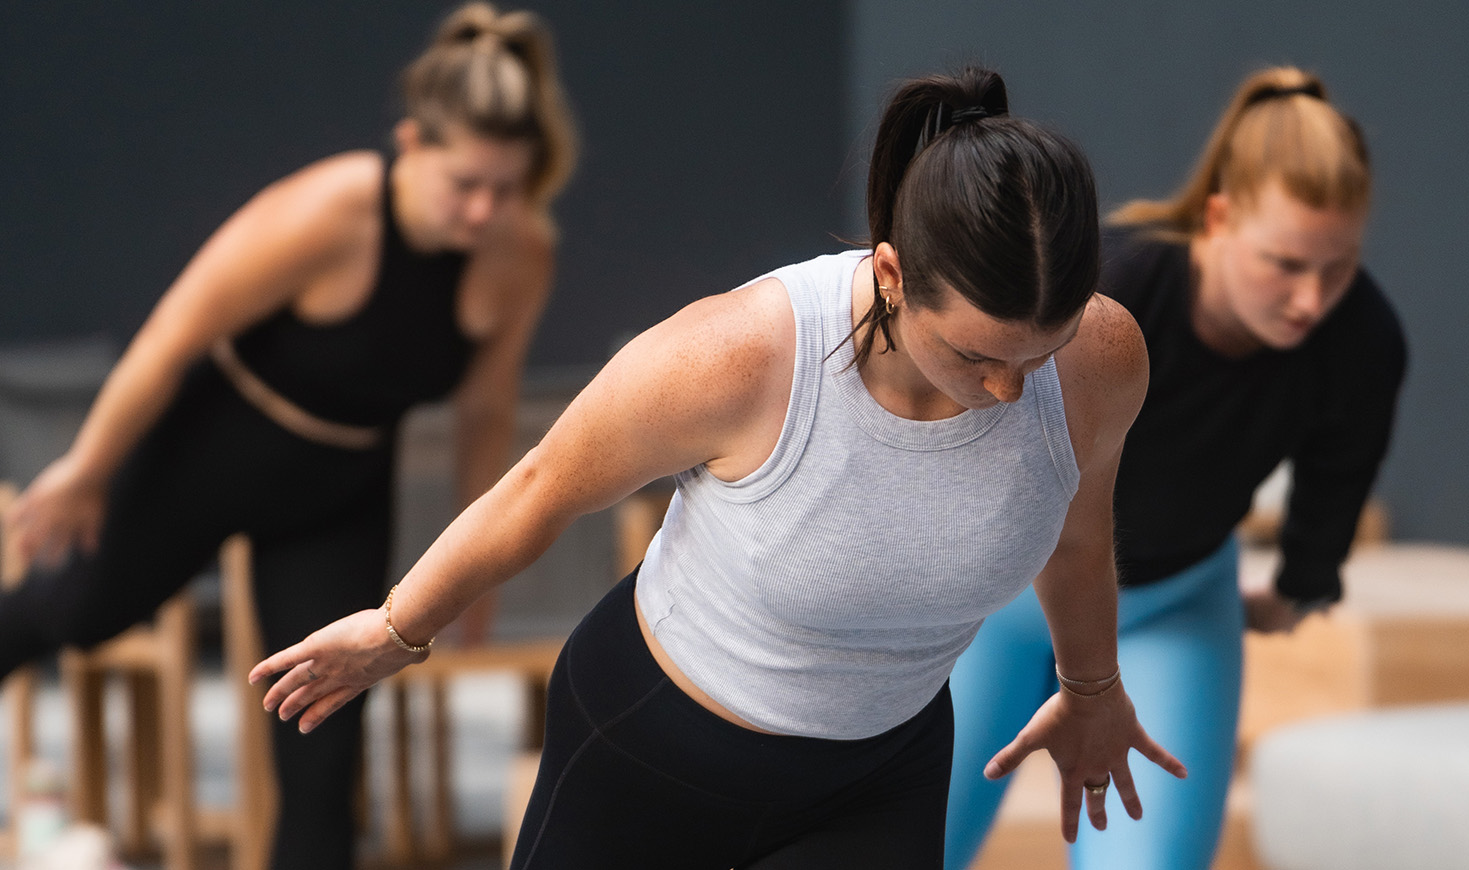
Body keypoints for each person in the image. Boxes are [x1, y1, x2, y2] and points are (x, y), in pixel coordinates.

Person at [249, 67, 1188, 869]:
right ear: (892, 276)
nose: (1008, 390)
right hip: (653, 749)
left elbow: (1075, 535)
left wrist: (1091, 689)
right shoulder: (740, 358)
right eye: (975, 355)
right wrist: (397, 628)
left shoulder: (1100, 362)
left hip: (877, 775)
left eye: (1039, 351)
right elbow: (541, 489)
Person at [0, 4, 577, 867]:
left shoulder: (519, 253)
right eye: (465, 183)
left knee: (322, 729)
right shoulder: (333, 209)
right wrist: (88, 467)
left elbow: (484, 414)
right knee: (77, 611)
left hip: (339, 494)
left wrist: (479, 569)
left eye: (506, 188)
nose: (483, 209)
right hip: (212, 450)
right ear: (410, 144)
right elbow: (172, 336)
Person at [943, 66, 1408, 869]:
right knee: (908, 843)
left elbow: (1337, 483)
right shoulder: (1111, 294)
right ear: (1218, 218)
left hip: (1167, 607)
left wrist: (1296, 586)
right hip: (1000, 599)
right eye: (1284, 263)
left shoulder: (1361, 339)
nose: (1310, 299)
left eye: (1336, 267)